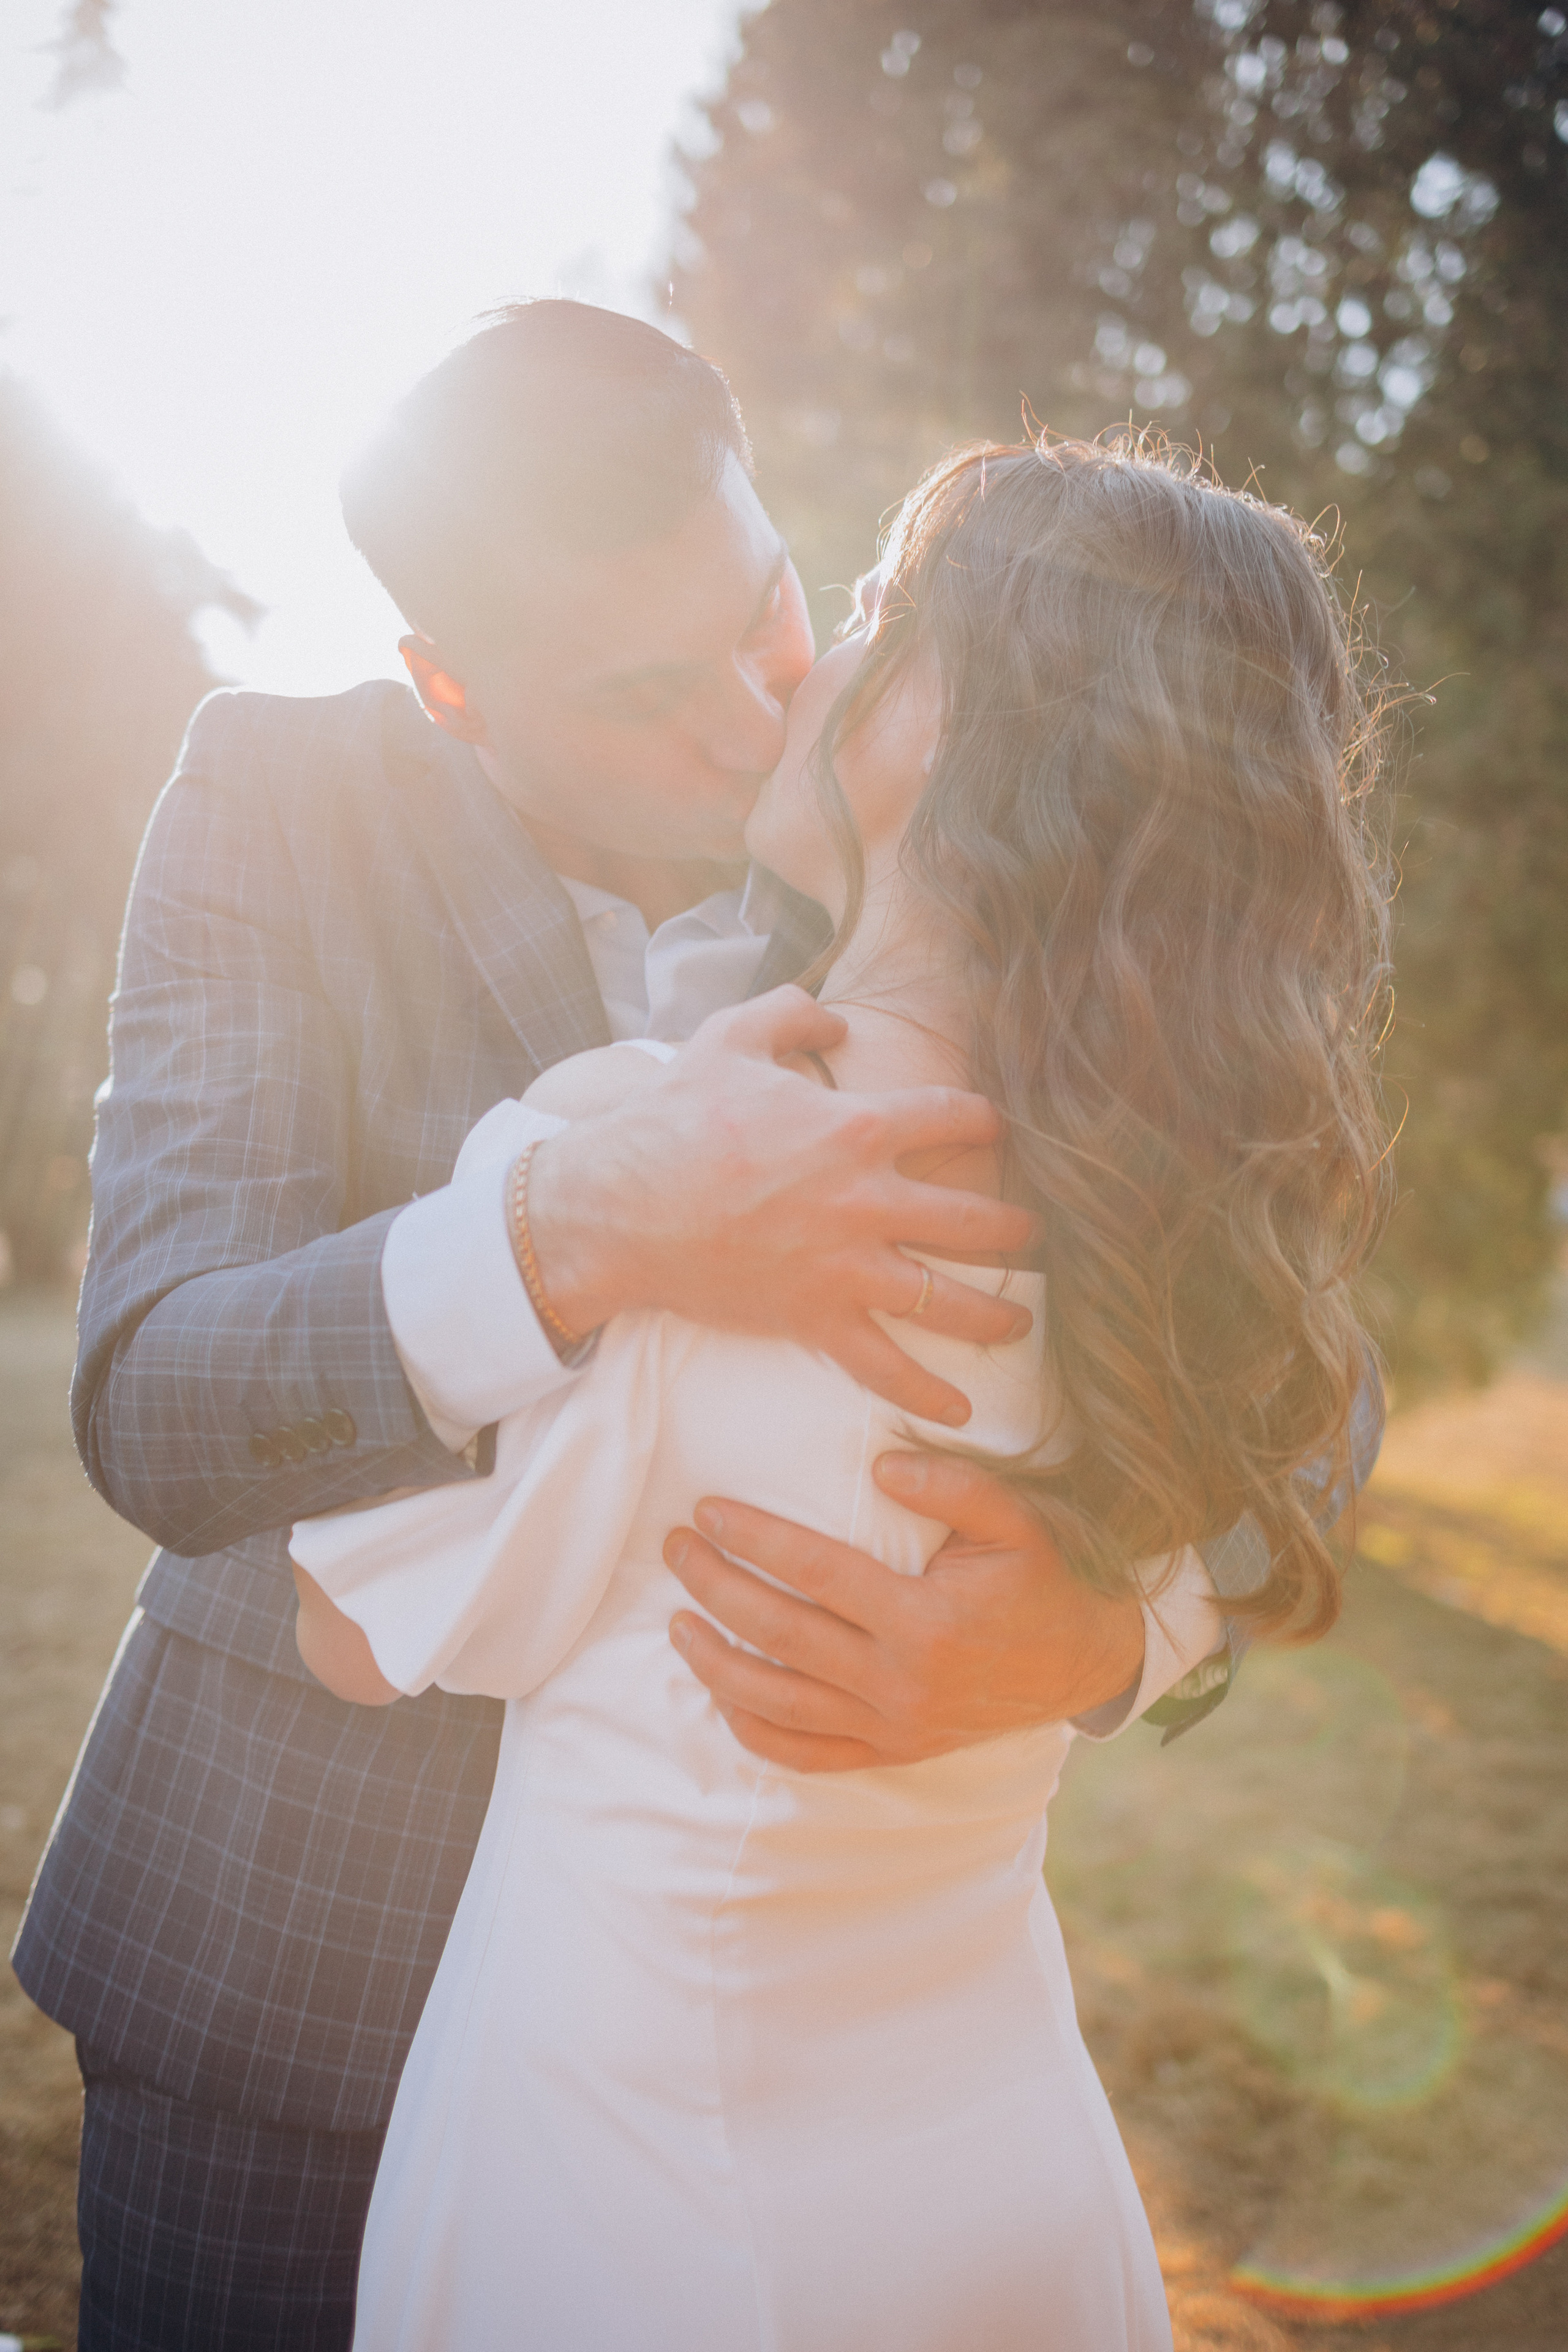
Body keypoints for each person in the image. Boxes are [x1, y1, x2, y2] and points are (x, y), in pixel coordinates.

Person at [10, 307, 1261, 2352]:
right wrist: (575, 1229)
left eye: (770, 611)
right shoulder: (275, 800)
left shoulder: (919, 809)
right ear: (454, 692)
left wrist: (1125, 1625)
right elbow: (157, 1383)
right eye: (646, 695)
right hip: (285, 1984)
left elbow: (1302, 1360)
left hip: (794, 2067)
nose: (752, 719)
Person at [291, 432, 1393, 2350]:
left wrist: (550, 1187)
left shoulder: (644, 1163)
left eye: (880, 606)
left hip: (631, 2207)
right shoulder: (1177, 1224)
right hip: (999, 2186)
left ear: (970, 731)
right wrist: (1124, 1615)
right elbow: (1306, 1429)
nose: (807, 664)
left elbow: (342, 1632)